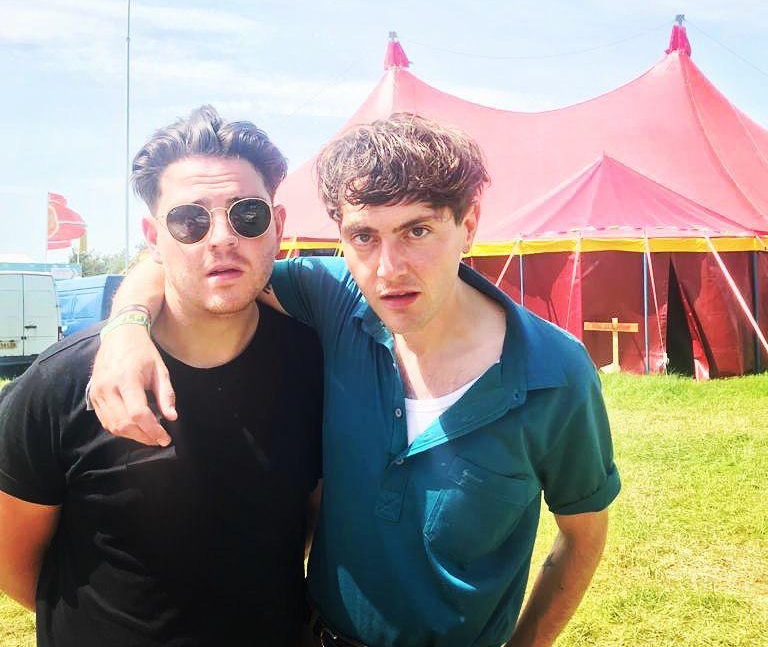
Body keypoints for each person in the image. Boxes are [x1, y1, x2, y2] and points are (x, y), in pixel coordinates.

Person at [89, 113, 620, 647]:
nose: (388, 269)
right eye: (363, 236)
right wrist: (126, 327)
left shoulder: (554, 374)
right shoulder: (338, 299)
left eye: (417, 231)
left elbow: (581, 536)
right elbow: (197, 260)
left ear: (469, 224)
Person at [0, 106, 323, 647]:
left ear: (279, 225)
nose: (221, 238)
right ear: (154, 236)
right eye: (190, 221)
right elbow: (14, 561)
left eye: (247, 214)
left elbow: (310, 524)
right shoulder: (62, 383)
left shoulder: (315, 363)